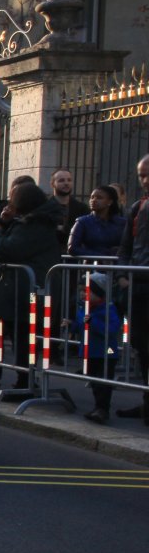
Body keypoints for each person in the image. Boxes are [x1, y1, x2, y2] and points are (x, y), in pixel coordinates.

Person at [0, 182, 62, 398]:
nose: (9, 202)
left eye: (13, 198)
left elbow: (9, 248)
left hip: (24, 287)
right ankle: (15, 381)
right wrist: (3, 224)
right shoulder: (33, 221)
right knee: (14, 335)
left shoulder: (36, 224)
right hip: (18, 286)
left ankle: (0, 381)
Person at [114, 155, 149, 420]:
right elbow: (126, 247)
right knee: (141, 346)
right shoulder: (138, 207)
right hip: (139, 287)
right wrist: (123, 274)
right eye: (142, 175)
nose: (145, 180)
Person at [66, 274, 122, 424]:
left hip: (107, 352)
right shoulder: (83, 308)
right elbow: (80, 325)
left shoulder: (108, 309)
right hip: (90, 351)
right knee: (95, 382)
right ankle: (98, 407)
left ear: (99, 293)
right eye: (81, 290)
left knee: (103, 382)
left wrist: (93, 322)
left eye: (86, 291)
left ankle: (102, 409)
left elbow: (112, 330)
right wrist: (71, 325)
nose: (82, 294)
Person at [67, 185, 124, 258]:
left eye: (99, 198)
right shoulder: (82, 222)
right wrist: (100, 256)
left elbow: (129, 245)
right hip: (91, 263)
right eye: (92, 197)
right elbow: (72, 248)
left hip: (117, 263)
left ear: (110, 202)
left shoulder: (122, 223)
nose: (93, 200)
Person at [49, 168, 89, 252]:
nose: (66, 183)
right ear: (52, 184)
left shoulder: (82, 208)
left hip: (73, 254)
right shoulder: (44, 207)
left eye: (69, 180)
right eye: (61, 180)